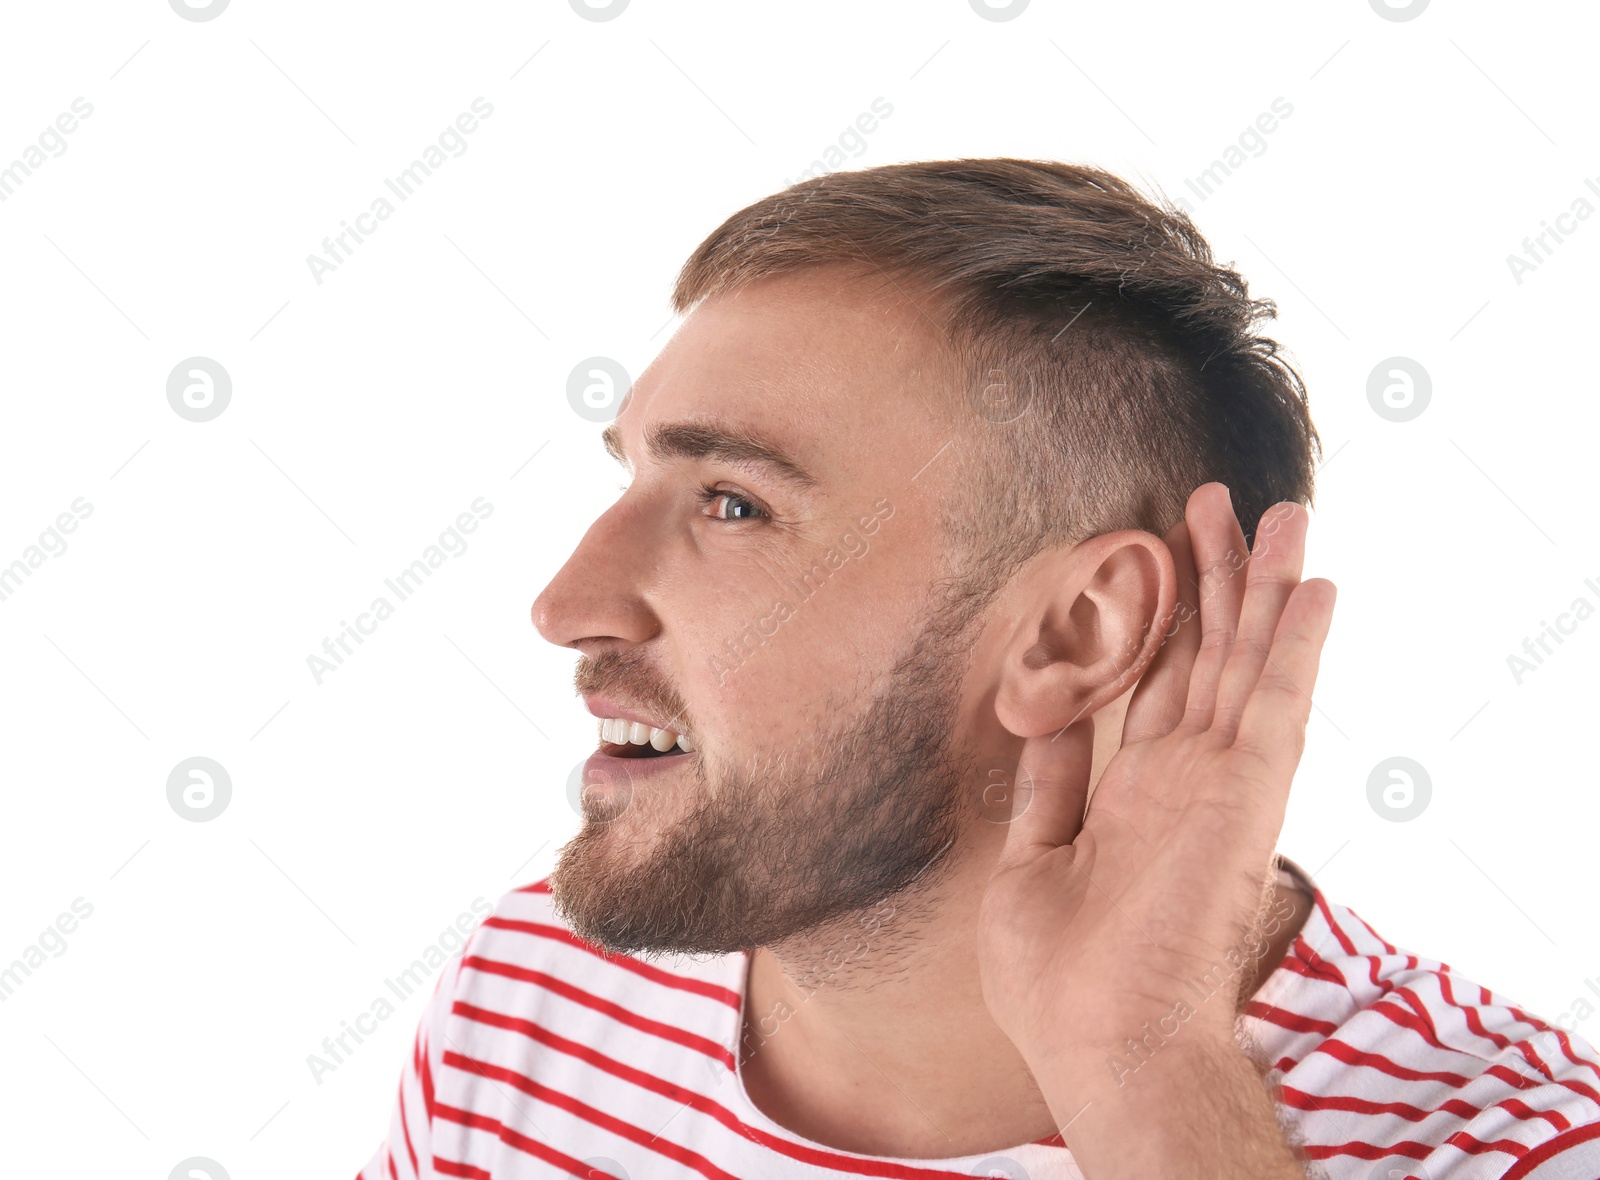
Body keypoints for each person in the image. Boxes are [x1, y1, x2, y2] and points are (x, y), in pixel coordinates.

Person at [359, 160, 1600, 1179]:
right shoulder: (524, 1004)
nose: (564, 604)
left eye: (732, 504)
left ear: (1074, 634)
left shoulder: (1524, 1145)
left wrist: (1143, 1070)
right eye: (630, 477)